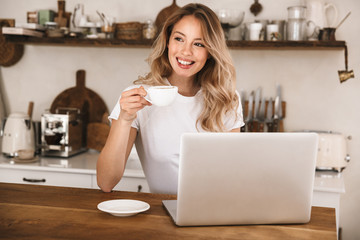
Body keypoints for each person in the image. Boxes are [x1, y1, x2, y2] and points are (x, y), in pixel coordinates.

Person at [97, 3, 244, 194]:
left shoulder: (227, 99)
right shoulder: (138, 97)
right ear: (168, 42)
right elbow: (106, 182)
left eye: (198, 44)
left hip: (217, 212)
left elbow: (235, 173)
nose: (185, 51)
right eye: (179, 39)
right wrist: (124, 120)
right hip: (163, 215)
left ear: (210, 52)